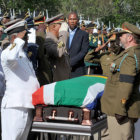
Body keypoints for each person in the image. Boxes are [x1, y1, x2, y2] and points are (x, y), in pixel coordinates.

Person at [1, 19, 40, 140]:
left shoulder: (23, 55)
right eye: (25, 36)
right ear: (16, 37)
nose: (27, 39)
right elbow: (11, 57)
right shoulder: (7, 53)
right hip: (14, 107)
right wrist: (18, 39)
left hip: (26, 105)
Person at [101, 22, 140, 140]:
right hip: (116, 107)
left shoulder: (130, 56)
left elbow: (126, 85)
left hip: (119, 110)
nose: (119, 38)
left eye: (122, 35)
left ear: (130, 38)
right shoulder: (128, 53)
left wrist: (120, 109)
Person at [44, 14, 71, 82]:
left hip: (64, 81)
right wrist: (63, 33)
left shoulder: (58, 39)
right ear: (53, 26)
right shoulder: (48, 41)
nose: (63, 28)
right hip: (56, 83)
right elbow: (59, 52)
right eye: (61, 26)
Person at [66, 12, 89, 78]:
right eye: (70, 19)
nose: (72, 21)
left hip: (78, 70)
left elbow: (83, 51)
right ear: (68, 20)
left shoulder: (83, 34)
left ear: (78, 20)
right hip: (64, 70)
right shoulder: (63, 33)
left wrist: (70, 62)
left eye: (74, 19)